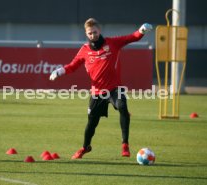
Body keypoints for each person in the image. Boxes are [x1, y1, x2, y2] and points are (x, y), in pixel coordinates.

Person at [49, 18, 152, 159]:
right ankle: (85, 147)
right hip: (97, 92)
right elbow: (73, 66)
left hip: (115, 88)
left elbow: (131, 38)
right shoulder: (84, 50)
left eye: (95, 32)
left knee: (122, 107)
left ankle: (125, 145)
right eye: (90, 33)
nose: (93, 35)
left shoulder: (112, 43)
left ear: (100, 31)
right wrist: (59, 71)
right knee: (91, 123)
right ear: (86, 34)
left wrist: (141, 31)